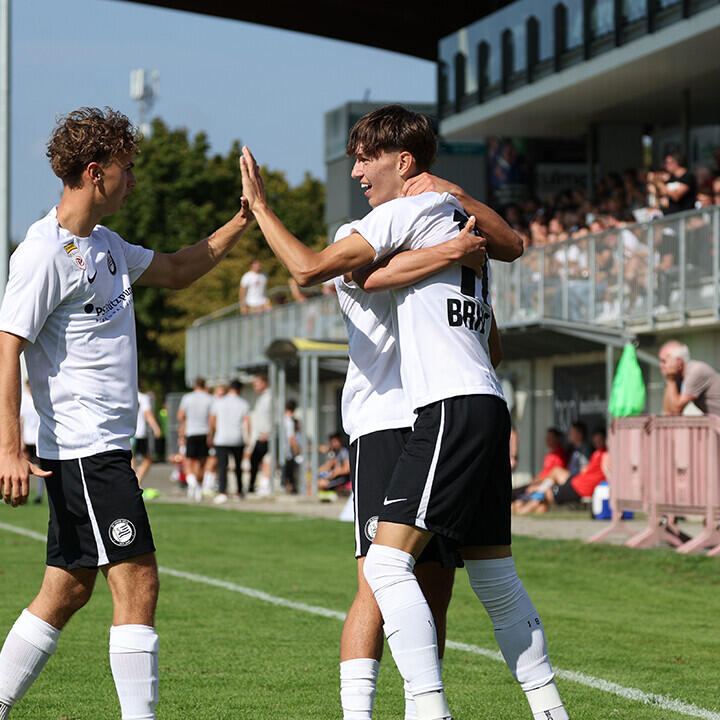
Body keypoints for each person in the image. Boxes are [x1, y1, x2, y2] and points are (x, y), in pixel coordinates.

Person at [240, 106, 566, 720]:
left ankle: (427, 708)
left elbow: (310, 269)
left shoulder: (415, 213)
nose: (357, 171)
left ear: (405, 162)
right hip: (448, 409)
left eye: (366, 158)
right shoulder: (455, 229)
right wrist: (453, 248)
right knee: (455, 579)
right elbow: (387, 278)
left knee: (396, 571)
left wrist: (260, 208)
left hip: (438, 410)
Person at [0, 106, 252, 719]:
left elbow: (176, 268)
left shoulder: (106, 245)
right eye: (126, 169)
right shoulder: (42, 254)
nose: (133, 180)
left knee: (65, 590)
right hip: (86, 449)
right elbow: (7, 346)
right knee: (138, 582)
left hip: (100, 451)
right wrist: (8, 447)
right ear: (94, 172)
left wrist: (244, 220)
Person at [209, 379, 250, 504]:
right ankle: (238, 491)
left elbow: (212, 421)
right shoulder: (243, 403)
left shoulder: (219, 402)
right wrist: (248, 438)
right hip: (237, 438)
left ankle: (223, 491)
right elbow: (247, 422)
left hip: (221, 438)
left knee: (222, 466)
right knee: (238, 466)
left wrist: (212, 435)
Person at [659, 341, 720, 417]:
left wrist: (671, 380)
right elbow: (668, 412)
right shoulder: (677, 377)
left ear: (678, 362)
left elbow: (676, 410)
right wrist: (670, 379)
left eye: (664, 361)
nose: (661, 365)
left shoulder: (696, 371)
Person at [177, 377, 214, 502]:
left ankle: (192, 482)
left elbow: (180, 415)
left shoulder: (187, 398)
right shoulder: (209, 398)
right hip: (204, 432)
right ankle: (197, 484)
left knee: (189, 459)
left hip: (191, 432)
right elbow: (211, 418)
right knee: (200, 461)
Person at [133, 389, 162, 488]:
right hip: (139, 433)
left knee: (131, 459)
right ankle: (137, 480)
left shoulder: (122, 395)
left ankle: (133, 482)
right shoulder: (143, 397)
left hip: (127, 433)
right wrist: (156, 428)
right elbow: (148, 414)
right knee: (147, 458)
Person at [19, 381, 42, 504]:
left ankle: (39, 495)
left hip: (38, 439)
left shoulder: (39, 397)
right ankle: (23, 493)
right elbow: (21, 420)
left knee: (40, 467)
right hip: (27, 438)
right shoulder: (25, 400)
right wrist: (21, 440)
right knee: (24, 465)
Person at [248, 373, 271, 495]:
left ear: (264, 383)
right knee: (255, 460)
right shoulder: (261, 398)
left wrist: (269, 432)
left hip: (267, 436)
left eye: (257, 383)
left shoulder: (270, 397)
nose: (254, 386)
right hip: (259, 436)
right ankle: (254, 485)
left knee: (268, 459)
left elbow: (275, 416)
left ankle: (265, 485)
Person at [282, 400, 301, 494]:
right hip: (287, 452)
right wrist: (297, 450)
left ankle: (287, 487)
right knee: (289, 472)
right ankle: (290, 488)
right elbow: (291, 439)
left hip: (282, 451)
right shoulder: (289, 422)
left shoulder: (282, 419)